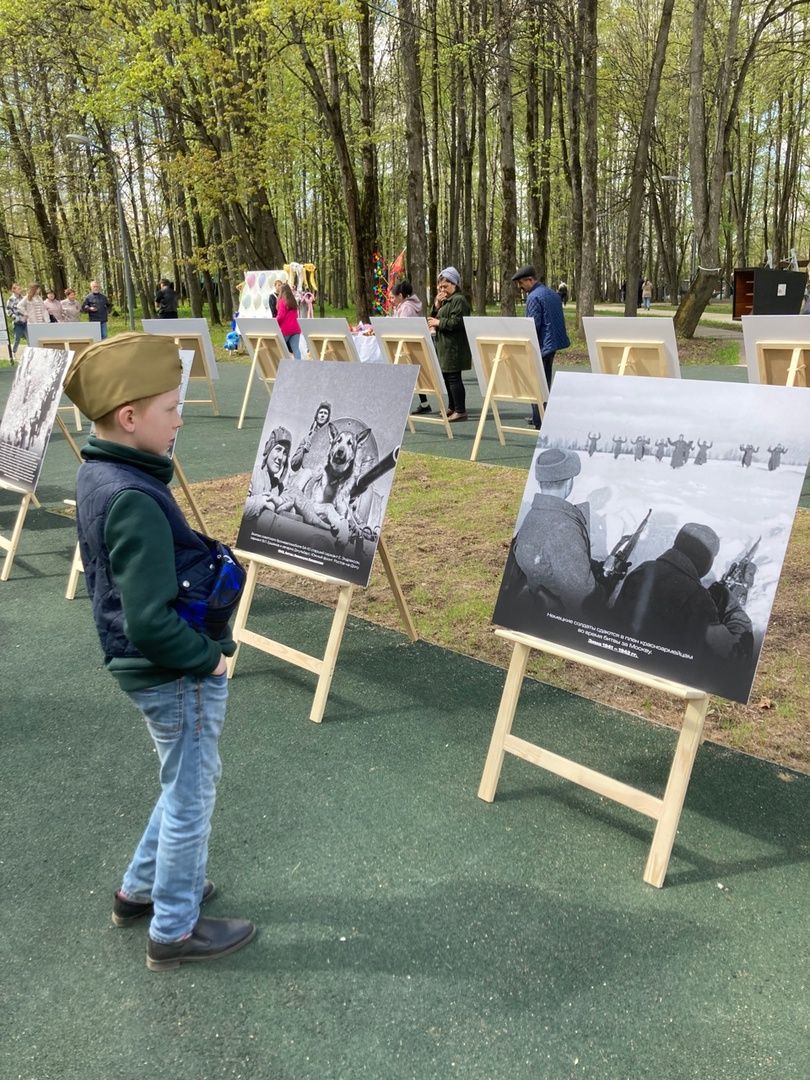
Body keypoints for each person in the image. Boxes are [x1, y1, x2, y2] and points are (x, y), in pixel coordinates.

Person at [62, 333, 256, 971]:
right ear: (129, 417)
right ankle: (173, 928)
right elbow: (148, 621)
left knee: (181, 783)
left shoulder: (100, 473)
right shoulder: (136, 500)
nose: (180, 419)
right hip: (172, 673)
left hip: (147, 671)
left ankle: (139, 891)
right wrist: (209, 659)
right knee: (193, 796)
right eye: (172, 409)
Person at [612, 522, 754, 689]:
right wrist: (732, 607)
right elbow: (733, 656)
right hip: (664, 681)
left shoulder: (643, 570)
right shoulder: (698, 599)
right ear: (706, 560)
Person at [497, 448, 601, 622]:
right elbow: (581, 595)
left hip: (538, 605)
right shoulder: (564, 527)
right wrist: (605, 585)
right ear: (569, 482)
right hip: (562, 620)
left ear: (541, 482)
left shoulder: (533, 515)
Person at [511, 265, 570, 429]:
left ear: (530, 280)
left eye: (521, 284)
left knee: (536, 383)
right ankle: (541, 415)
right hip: (553, 343)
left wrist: (524, 343)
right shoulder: (551, 293)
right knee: (545, 380)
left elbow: (533, 325)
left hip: (541, 345)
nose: (520, 288)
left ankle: (539, 420)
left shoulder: (533, 297)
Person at [427, 266, 472, 422]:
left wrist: (439, 322)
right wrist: (436, 306)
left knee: (454, 377)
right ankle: (452, 407)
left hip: (454, 346)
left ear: (455, 284)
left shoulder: (459, 300)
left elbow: (457, 322)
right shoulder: (445, 301)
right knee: (447, 377)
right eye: (440, 287)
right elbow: (431, 318)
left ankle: (460, 410)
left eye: (445, 286)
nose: (442, 289)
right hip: (444, 346)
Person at [391, 280, 430, 414]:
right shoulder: (403, 306)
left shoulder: (406, 307)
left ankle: (399, 405)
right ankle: (424, 404)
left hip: (408, 344)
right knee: (413, 375)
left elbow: (402, 326)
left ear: (400, 296)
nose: (392, 299)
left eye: (393, 296)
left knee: (406, 375)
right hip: (408, 344)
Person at [276, 281, 302, 359]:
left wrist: (274, 322)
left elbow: (281, 316)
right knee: (296, 349)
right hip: (296, 329)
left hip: (285, 330)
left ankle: (283, 366)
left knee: (280, 349)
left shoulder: (282, 301)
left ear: (281, 291)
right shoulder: (293, 301)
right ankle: (299, 367)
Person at [6, 282, 27, 361]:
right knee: (17, 339)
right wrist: (15, 317)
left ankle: (31, 354)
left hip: (25, 321)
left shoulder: (23, 298)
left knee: (29, 338)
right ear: (14, 290)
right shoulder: (11, 299)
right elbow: (8, 311)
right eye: (18, 289)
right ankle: (13, 353)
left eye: (20, 288)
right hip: (17, 323)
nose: (20, 290)